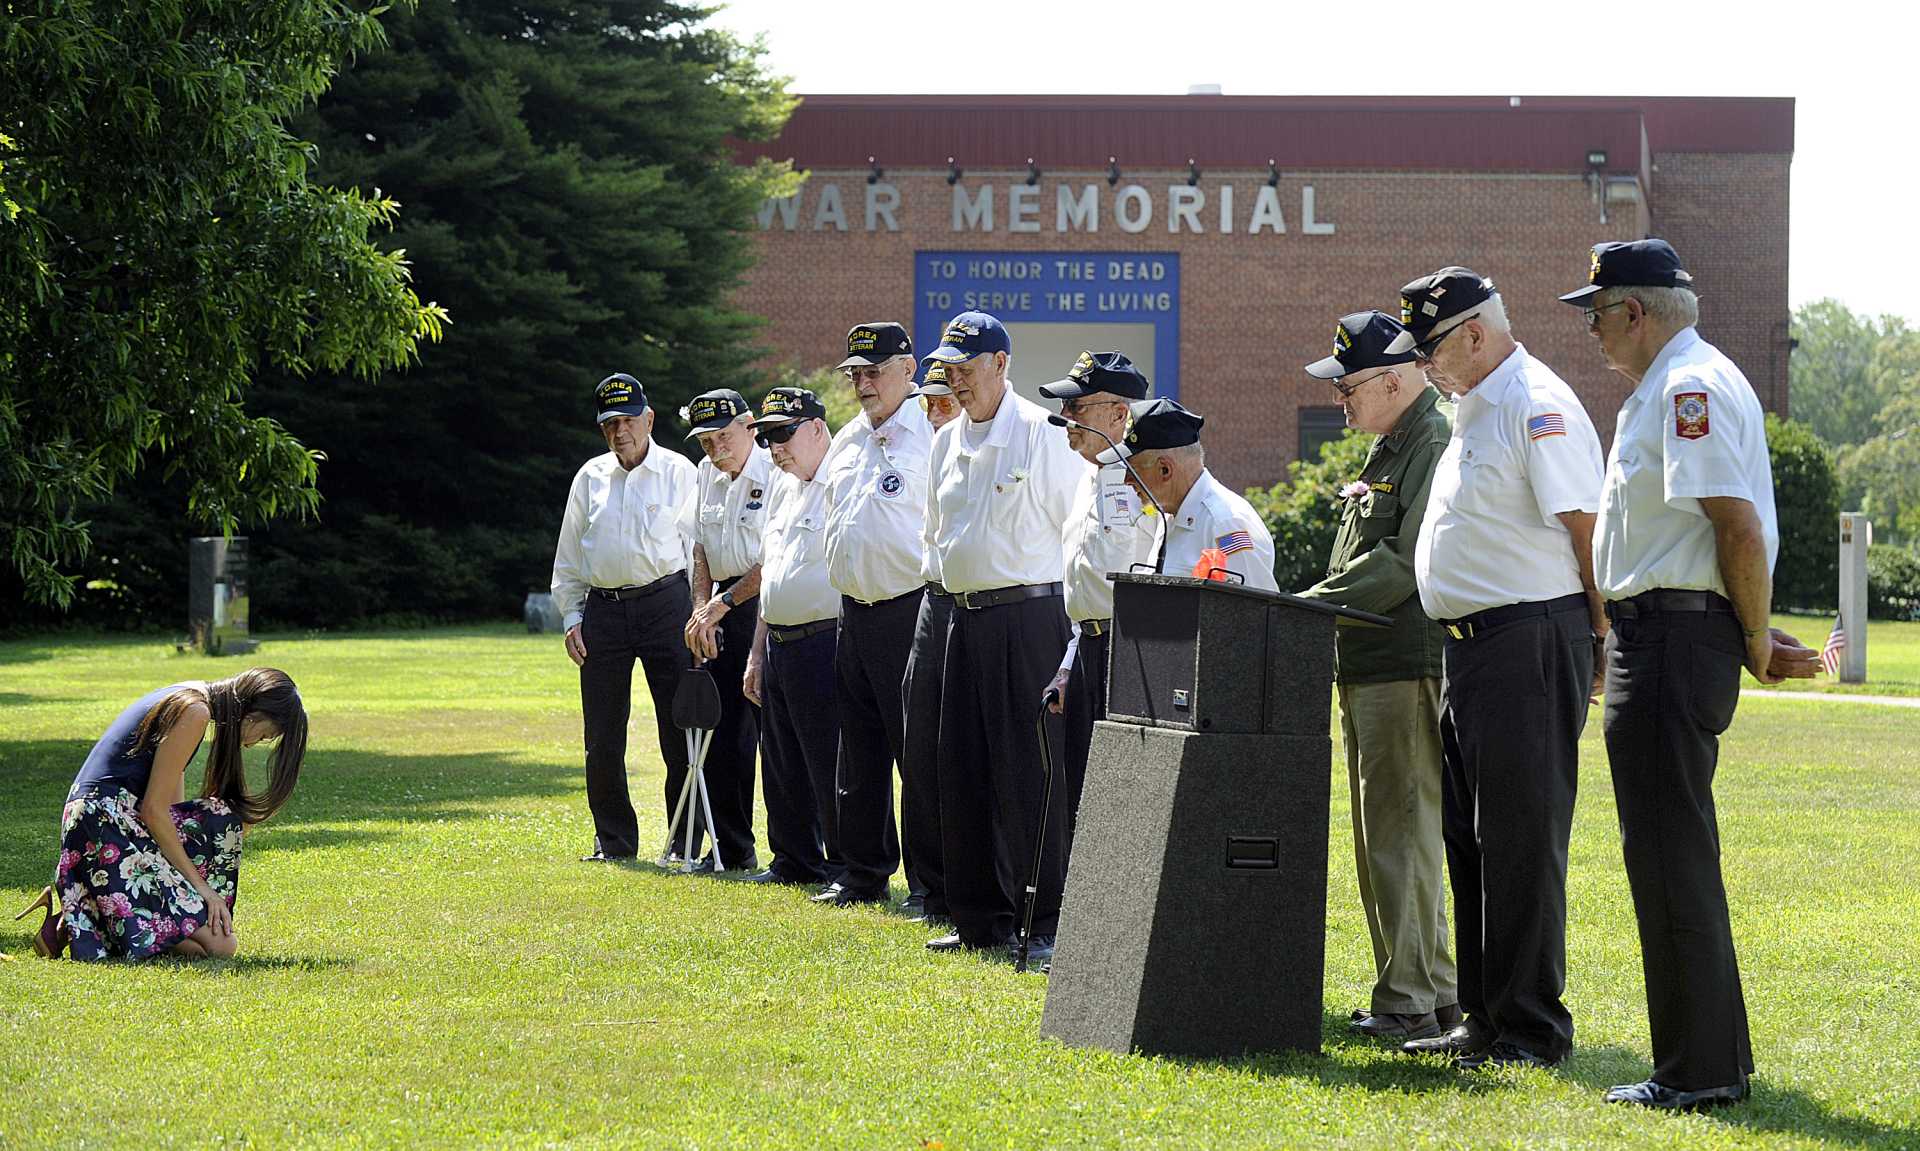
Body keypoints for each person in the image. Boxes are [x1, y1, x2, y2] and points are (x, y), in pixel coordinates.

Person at [1563, 239, 1819, 1109]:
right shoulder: (1677, 383)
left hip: (1671, 643)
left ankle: (1697, 1072)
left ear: (1634, 311)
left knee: (1669, 859)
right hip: (1672, 635)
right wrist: (1744, 625)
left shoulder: (1685, 386)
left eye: (1596, 310)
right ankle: (1716, 1056)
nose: (1591, 327)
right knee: (1678, 855)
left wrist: (1750, 638)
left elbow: (1736, 527)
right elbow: (1719, 540)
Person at [1391, 267, 1606, 1070]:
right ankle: (1485, 1015)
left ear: (1475, 332)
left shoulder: (1533, 401)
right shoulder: (1472, 403)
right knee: (1469, 835)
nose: (1424, 366)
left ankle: (1532, 1026)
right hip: (1474, 647)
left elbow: (1586, 530)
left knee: (1520, 838)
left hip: (1529, 639)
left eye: (1432, 348)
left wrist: (1598, 639)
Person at [1296, 311, 1460, 1041]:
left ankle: (1410, 999)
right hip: (1368, 662)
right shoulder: (1396, 442)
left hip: (1402, 662)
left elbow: (1402, 561)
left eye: (1349, 387)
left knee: (1400, 834)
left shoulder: (1431, 437)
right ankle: (1432, 988)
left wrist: (1305, 606)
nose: (1341, 401)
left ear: (1395, 379)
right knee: (1386, 838)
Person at [920, 311, 1082, 961]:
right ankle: (976, 916)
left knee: (1028, 772)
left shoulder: (1043, 433)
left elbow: (1072, 534)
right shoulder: (943, 442)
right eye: (950, 369)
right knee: (959, 766)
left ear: (1002, 364)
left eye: (968, 366)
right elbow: (934, 536)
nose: (957, 380)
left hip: (1029, 619)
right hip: (962, 616)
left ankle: (1041, 918)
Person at [16, 669, 308, 961]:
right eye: (265, 734)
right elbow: (154, 810)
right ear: (253, 714)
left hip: (111, 818)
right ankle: (78, 919)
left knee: (225, 819)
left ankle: (67, 924)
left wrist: (174, 876)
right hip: (102, 822)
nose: (251, 743)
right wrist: (201, 888)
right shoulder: (194, 711)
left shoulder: (192, 696)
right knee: (221, 947)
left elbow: (169, 803)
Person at [551, 373, 699, 863]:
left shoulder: (681, 472)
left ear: (649, 419)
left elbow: (698, 552)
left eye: (628, 421)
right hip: (604, 612)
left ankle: (684, 841)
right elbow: (569, 557)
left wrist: (700, 610)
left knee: (679, 728)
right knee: (602, 736)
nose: (620, 432)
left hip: (667, 604)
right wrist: (572, 616)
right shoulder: (588, 477)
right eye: (609, 424)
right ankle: (613, 841)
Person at [818, 322, 933, 908]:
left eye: (874, 371)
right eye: (855, 373)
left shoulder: (933, 434)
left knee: (915, 753)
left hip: (908, 609)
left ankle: (928, 884)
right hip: (852, 612)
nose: (863, 383)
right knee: (857, 752)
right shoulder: (845, 440)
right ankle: (861, 875)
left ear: (908, 370)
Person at [1039, 351, 1155, 846]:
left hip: (1132, 652)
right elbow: (1084, 587)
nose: (1067, 419)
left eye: (1078, 407)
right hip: (1088, 649)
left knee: (1125, 793)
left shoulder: (1150, 475)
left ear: (1118, 412)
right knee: (1081, 790)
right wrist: (1068, 663)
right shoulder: (1085, 477)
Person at [741, 386, 845, 887]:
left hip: (827, 637)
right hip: (779, 638)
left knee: (829, 760)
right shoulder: (781, 485)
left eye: (783, 433)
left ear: (817, 429)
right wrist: (756, 653)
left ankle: (844, 865)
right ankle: (792, 860)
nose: (774, 447)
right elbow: (774, 571)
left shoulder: (841, 480)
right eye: (766, 437)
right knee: (779, 760)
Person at [680, 388, 774, 874]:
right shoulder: (705, 474)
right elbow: (699, 549)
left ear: (750, 426)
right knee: (723, 737)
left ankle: (801, 854)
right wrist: (701, 611)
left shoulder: (774, 470)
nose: (716, 449)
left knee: (774, 738)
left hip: (765, 607)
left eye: (724, 436)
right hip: (717, 610)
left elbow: (771, 558)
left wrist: (721, 602)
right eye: (706, 441)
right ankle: (731, 850)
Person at [899, 362, 961, 925]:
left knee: (961, 751)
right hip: (931, 601)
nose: (934, 412)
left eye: (944, 401)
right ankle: (929, 886)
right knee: (920, 748)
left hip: (974, 606)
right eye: (928, 403)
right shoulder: (933, 450)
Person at [1100, 398, 1278, 591]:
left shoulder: (1226, 523)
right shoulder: (1169, 514)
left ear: (1165, 469)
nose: (1126, 480)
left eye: (1132, 470)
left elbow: (1254, 613)